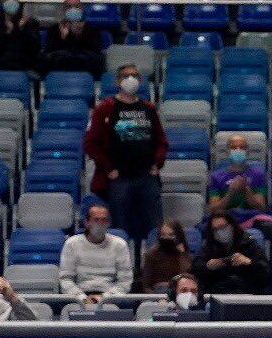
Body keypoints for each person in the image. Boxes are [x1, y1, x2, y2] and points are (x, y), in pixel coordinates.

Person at [84, 62, 167, 263]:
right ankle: (124, 267)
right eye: (127, 76)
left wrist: (157, 163)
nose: (132, 79)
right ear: (118, 81)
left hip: (146, 175)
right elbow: (90, 143)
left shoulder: (147, 108)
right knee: (120, 227)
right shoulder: (106, 108)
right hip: (119, 177)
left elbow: (161, 141)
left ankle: (150, 268)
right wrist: (108, 168)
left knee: (155, 227)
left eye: (135, 76)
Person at [59, 203, 133, 306]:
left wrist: (104, 298)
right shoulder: (72, 243)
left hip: (110, 295)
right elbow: (65, 279)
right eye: (96, 220)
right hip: (79, 294)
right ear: (87, 222)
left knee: (130, 303)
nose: (100, 224)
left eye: (104, 220)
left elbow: (125, 281)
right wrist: (82, 298)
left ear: (108, 223)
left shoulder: (119, 244)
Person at [194, 214, 271, 295]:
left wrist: (249, 262)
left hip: (247, 292)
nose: (219, 231)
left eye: (222, 227)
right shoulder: (209, 244)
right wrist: (207, 266)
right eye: (215, 229)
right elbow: (196, 267)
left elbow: (265, 271)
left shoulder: (248, 242)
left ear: (232, 226)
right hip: (217, 291)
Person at [206, 133, 269, 219]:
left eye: (242, 147)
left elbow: (261, 208)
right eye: (233, 147)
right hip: (226, 219)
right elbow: (214, 210)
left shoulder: (258, 174)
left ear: (247, 152)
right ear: (227, 152)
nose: (238, 150)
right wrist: (230, 192)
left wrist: (246, 189)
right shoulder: (216, 177)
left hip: (251, 218)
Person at [41, 0, 103, 77]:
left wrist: (78, 36)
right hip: (60, 69)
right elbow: (49, 53)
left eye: (76, 6)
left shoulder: (92, 29)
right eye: (69, 6)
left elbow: (95, 53)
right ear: (64, 9)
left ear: (81, 8)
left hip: (85, 69)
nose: (73, 9)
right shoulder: (54, 29)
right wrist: (63, 38)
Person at [138, 219, 194, 293]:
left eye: (171, 235)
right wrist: (158, 298)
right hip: (156, 294)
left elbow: (187, 279)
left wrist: (182, 254)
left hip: (180, 293)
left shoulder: (184, 255)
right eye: (163, 234)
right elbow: (146, 286)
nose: (166, 238)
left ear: (178, 236)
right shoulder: (151, 254)